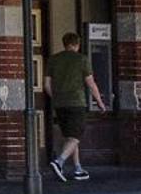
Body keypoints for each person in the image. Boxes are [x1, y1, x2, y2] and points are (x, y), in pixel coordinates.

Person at [44, 31, 107, 181]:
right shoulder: (82, 59)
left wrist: (56, 97)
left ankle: (78, 168)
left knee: (69, 136)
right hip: (76, 102)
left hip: (60, 104)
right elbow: (91, 84)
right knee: (76, 136)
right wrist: (100, 102)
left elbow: (46, 85)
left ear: (65, 44)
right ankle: (59, 162)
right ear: (77, 44)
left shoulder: (53, 59)